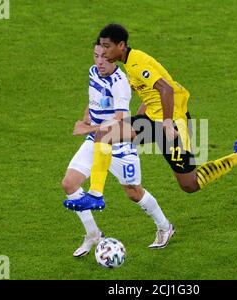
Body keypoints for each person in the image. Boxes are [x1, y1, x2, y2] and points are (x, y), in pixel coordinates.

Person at [64, 24, 237, 212]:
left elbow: (166, 89)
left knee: (190, 184)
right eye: (101, 47)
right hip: (155, 120)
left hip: (171, 122)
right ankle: (96, 195)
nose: (104, 52)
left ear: (121, 45)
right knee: (105, 134)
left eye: (107, 47)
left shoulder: (136, 63)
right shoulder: (129, 64)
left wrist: (169, 125)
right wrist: (140, 117)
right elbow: (151, 93)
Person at [62, 40, 175, 256]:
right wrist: (87, 117)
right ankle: (94, 234)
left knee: (134, 193)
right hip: (96, 141)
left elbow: (120, 121)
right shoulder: (93, 72)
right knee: (69, 184)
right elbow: (93, 98)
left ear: (113, 56)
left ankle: (164, 227)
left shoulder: (120, 83)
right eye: (96, 55)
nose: (100, 61)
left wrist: (89, 128)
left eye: (105, 57)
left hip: (119, 143)